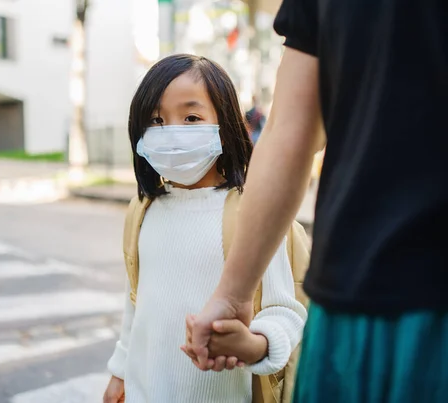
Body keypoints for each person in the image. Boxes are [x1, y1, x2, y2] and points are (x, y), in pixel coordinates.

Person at [184, 0, 448, 401]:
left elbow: (291, 133)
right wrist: (232, 295)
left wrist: (232, 295)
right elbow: (289, 133)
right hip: (351, 298)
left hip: (363, 303)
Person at [102, 54, 307, 403]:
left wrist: (255, 346)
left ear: (225, 125)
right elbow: (136, 302)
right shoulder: (143, 209)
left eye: (192, 117)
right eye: (156, 120)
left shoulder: (253, 214)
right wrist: (120, 372)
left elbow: (285, 312)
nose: (172, 133)